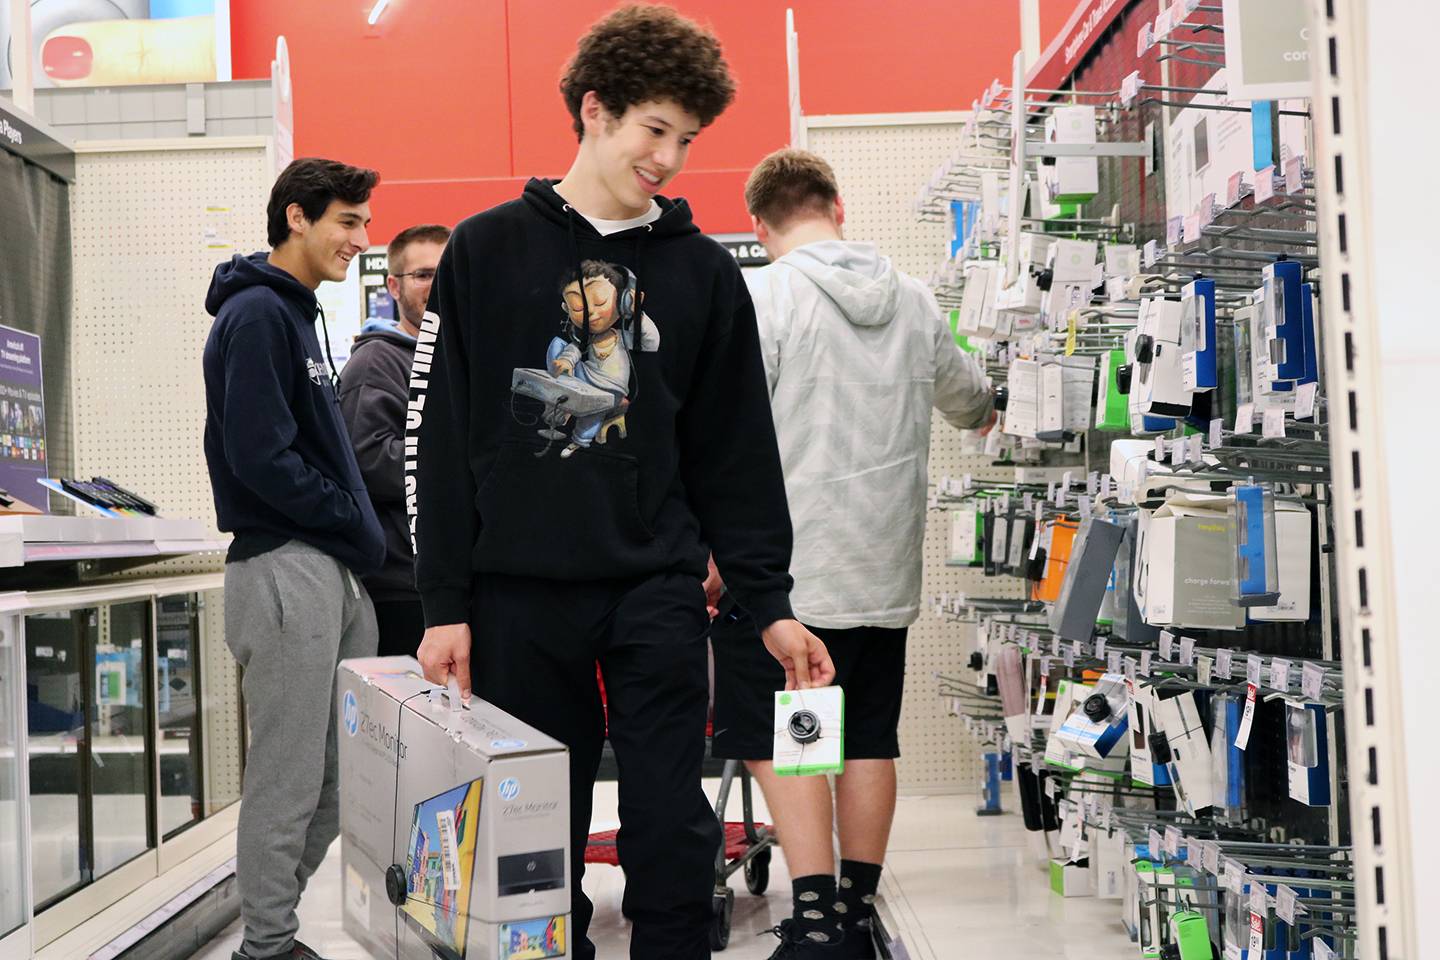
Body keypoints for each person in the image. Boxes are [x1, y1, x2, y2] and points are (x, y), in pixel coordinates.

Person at [406, 7, 835, 959]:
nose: (672, 159)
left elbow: (737, 455)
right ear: (594, 111)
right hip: (516, 593)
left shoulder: (703, 273)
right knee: (531, 832)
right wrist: (444, 602)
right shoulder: (485, 250)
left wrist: (769, 602)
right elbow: (437, 440)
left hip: (656, 589)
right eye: (656, 131)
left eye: (688, 139)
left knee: (669, 822)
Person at [710, 148, 996, 959]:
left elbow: (728, 434)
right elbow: (972, 401)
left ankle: (815, 922)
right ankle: (860, 910)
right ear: (837, 207)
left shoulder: (764, 294)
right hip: (882, 570)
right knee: (867, 736)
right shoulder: (909, 298)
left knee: (795, 737)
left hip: (785, 580)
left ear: (760, 225)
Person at [202, 157, 386, 960]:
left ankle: (268, 937)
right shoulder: (255, 315)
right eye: (347, 221)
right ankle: (268, 947)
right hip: (284, 568)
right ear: (297, 218)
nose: (360, 238)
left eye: (364, 222)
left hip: (329, 572)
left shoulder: (299, 314)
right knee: (285, 782)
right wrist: (348, 514)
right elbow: (258, 453)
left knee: (336, 782)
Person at [339, 223, 451, 655]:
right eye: (422, 275)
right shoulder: (376, 362)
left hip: (450, 582)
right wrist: (457, 459)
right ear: (393, 286)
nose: (435, 285)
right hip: (403, 588)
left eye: (444, 273)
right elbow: (368, 462)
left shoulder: (456, 358)